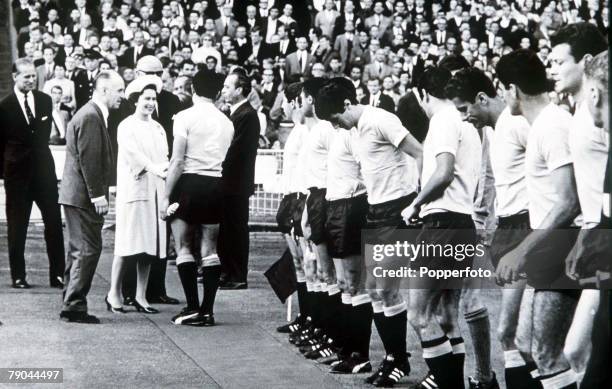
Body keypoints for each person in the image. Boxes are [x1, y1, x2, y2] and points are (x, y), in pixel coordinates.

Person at [315, 77, 422, 387]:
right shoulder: (356, 130)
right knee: (375, 288)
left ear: (346, 105)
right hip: (376, 210)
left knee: (387, 288)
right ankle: (393, 357)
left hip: (397, 208)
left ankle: (399, 359)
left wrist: (417, 199)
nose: (336, 125)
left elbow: (420, 152)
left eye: (336, 118)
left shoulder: (381, 119)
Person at [495, 49, 581, 389]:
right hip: (552, 246)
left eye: (504, 89)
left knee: (549, 354)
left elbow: (569, 202)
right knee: (529, 346)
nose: (505, 97)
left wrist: (521, 251)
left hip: (566, 246)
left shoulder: (552, 126)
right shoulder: (543, 125)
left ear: (513, 90)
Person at [446, 67, 534, 389]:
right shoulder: (492, 132)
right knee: (516, 334)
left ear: (482, 98)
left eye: (465, 109)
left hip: (528, 229)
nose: (465, 117)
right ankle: (488, 380)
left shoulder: (519, 124)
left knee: (520, 334)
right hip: (506, 229)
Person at [400, 66, 482, 389]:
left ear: (422, 94)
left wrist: (415, 203)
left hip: (442, 223)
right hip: (463, 223)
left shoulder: (442, 121)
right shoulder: (467, 124)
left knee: (418, 313)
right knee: (447, 315)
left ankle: (448, 385)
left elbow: (444, 172)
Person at [548, 23, 608, 386]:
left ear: (586, 61)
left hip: (604, 239)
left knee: (578, 349)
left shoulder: (598, 112)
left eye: (559, 61)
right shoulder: (580, 112)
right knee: (578, 351)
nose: (551, 69)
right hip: (597, 236)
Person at [165, 70, 233, 327]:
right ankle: (207, 310)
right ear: (217, 93)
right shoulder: (227, 121)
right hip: (215, 183)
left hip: (189, 182)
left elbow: (178, 160)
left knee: (184, 247)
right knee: (210, 249)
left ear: (193, 89)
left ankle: (193, 306)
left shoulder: (184, 117)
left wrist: (165, 196)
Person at [58, 70, 125, 324]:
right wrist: (98, 195)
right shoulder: (90, 116)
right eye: (119, 90)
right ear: (105, 90)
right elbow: (89, 159)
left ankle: (71, 301)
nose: (122, 95)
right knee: (88, 249)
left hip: (76, 194)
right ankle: (74, 305)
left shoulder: (91, 114)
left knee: (79, 249)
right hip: (84, 196)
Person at [106, 75, 169, 315]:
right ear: (135, 100)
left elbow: (164, 156)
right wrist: (155, 168)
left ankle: (141, 296)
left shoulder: (158, 127)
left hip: (156, 192)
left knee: (149, 247)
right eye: (146, 99)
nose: (150, 103)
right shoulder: (126, 126)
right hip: (134, 191)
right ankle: (114, 292)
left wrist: (165, 172)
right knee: (126, 244)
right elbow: (134, 156)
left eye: (153, 99)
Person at [0, 58, 65, 289]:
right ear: (14, 77)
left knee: (54, 222)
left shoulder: (45, 101)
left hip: (44, 171)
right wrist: (6, 172)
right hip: (16, 174)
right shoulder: (4, 106)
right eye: (26, 76)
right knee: (18, 225)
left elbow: (44, 135)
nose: (30, 80)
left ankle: (58, 274)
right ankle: (18, 275)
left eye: (33, 76)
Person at [218, 68, 261, 289]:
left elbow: (235, 151)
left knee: (235, 229)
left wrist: (218, 165)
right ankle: (227, 272)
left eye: (227, 86)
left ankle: (237, 275)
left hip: (236, 183)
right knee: (227, 228)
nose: (224, 90)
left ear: (239, 90)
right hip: (230, 182)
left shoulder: (247, 115)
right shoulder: (237, 113)